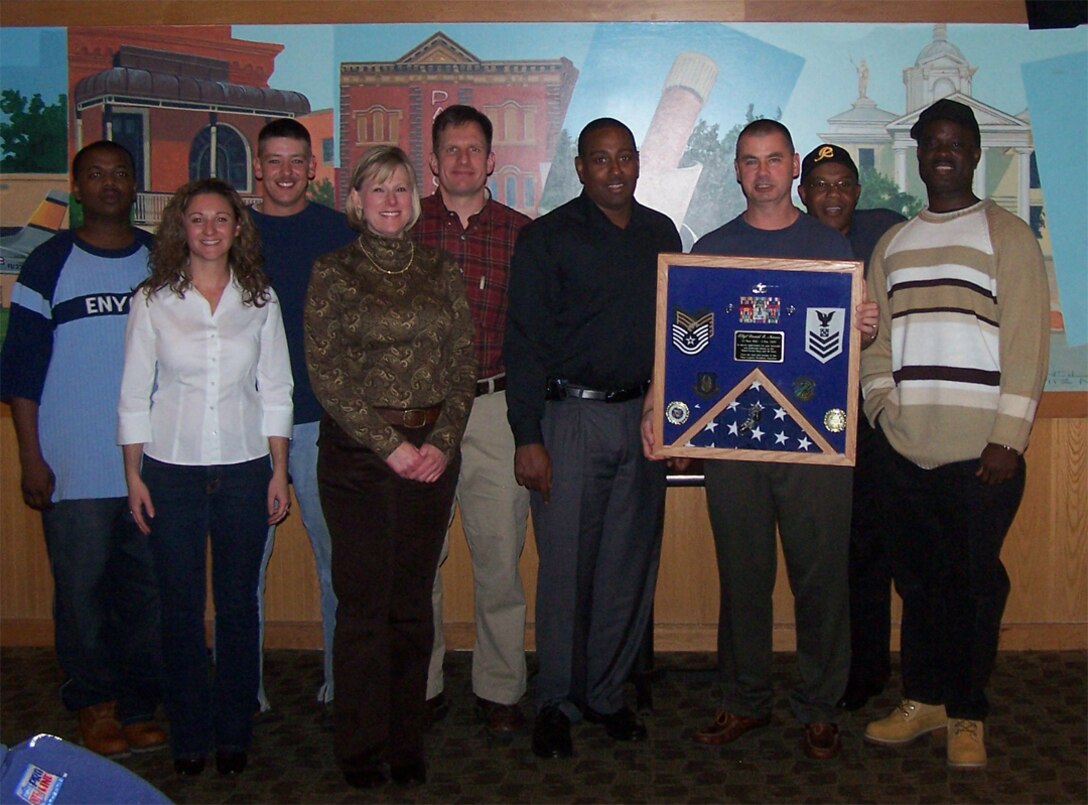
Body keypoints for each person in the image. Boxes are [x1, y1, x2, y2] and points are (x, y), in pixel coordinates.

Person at [648, 119, 876, 760]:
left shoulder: (831, 252)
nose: (763, 171)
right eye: (750, 161)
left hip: (815, 446)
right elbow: (683, 347)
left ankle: (820, 705)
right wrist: (671, 416)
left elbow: (844, 347)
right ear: (738, 171)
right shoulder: (710, 250)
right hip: (735, 443)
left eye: (774, 159)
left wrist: (863, 324)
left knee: (820, 578)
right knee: (743, 577)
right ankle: (743, 699)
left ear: (794, 165)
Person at [861, 99, 1049, 769]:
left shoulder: (1008, 236)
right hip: (907, 450)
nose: (943, 152)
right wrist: (883, 411)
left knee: (970, 584)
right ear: (919, 154)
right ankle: (924, 698)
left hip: (982, 456)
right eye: (932, 142)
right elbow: (874, 346)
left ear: (975, 153)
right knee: (917, 583)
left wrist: (1009, 436)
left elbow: (1027, 341)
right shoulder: (894, 244)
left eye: (956, 142)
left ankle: (967, 709)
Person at [505, 118, 682, 759]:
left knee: (625, 569)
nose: (614, 170)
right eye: (600, 160)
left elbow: (682, 334)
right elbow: (522, 343)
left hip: (641, 420)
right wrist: (528, 436)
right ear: (580, 169)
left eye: (625, 158)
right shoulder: (547, 238)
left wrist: (676, 414)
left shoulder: (662, 235)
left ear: (639, 164)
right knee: (566, 572)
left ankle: (606, 696)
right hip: (568, 421)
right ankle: (555, 700)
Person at [305, 146, 475, 788]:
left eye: (401, 188)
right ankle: (359, 744)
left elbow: (464, 364)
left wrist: (441, 442)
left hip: (433, 454)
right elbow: (327, 374)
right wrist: (391, 446)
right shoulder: (333, 272)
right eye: (377, 189)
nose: (390, 199)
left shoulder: (442, 268)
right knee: (363, 606)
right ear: (356, 201)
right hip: (358, 459)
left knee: (411, 605)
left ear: (415, 199)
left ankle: (406, 741)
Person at [117, 178, 294, 777]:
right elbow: (133, 393)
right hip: (170, 472)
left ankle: (233, 732)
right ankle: (189, 735)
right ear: (181, 228)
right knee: (181, 608)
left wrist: (279, 470)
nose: (211, 229)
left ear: (238, 228)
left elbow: (276, 389)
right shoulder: (151, 300)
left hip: (246, 470)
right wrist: (134, 476)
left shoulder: (260, 300)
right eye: (198, 219)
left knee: (240, 606)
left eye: (223, 218)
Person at [0, 141, 165, 758]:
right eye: (95, 175)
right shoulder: (47, 264)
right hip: (73, 465)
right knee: (82, 593)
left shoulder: (158, 258)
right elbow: (20, 371)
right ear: (77, 186)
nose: (110, 184)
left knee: (145, 591)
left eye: (120, 173)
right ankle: (94, 705)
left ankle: (140, 702)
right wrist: (31, 458)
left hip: (149, 468)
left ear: (133, 181)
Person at [411, 105, 532, 737]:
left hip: (493, 411)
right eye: (449, 150)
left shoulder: (521, 233)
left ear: (491, 161)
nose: (462, 160)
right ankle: (421, 684)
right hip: (420, 415)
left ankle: (500, 688)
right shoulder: (401, 229)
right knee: (419, 558)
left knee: (498, 557)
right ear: (432, 162)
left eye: (473, 149)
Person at [250, 118, 356, 710]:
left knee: (335, 559)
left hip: (321, 420)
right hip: (246, 425)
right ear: (258, 168)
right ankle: (247, 688)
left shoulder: (339, 233)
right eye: (275, 161)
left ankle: (343, 682)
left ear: (312, 168)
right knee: (247, 568)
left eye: (298, 161)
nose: (287, 172)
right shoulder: (230, 233)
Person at [797, 143, 906, 711]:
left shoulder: (887, 235)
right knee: (822, 553)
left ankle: (866, 670)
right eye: (821, 184)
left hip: (869, 420)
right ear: (803, 193)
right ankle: (828, 667)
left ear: (858, 193)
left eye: (843, 183)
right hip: (805, 419)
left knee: (867, 550)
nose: (832, 194)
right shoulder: (790, 241)